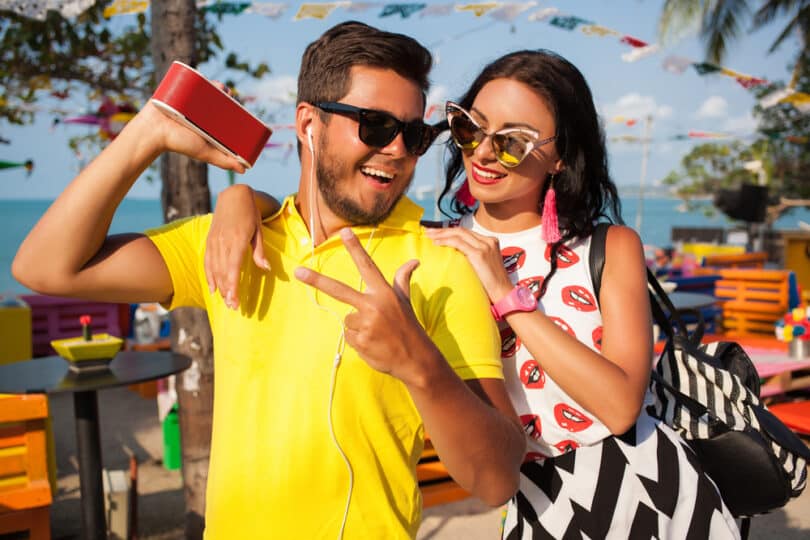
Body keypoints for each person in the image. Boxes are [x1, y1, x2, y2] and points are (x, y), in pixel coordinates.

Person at [12, 22, 526, 539]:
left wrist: (422, 368)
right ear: (309, 123)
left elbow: (497, 479)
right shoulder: (229, 241)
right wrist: (149, 134)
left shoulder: (439, 264)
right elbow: (45, 267)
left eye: (414, 135)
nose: (397, 150)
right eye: (374, 125)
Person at [208, 49, 741, 538]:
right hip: (535, 500)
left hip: (644, 486)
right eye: (470, 129)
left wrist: (507, 295)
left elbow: (622, 406)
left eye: (511, 142)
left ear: (559, 157)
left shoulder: (607, 247)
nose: (483, 153)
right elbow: (317, 205)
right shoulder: (436, 247)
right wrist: (240, 198)